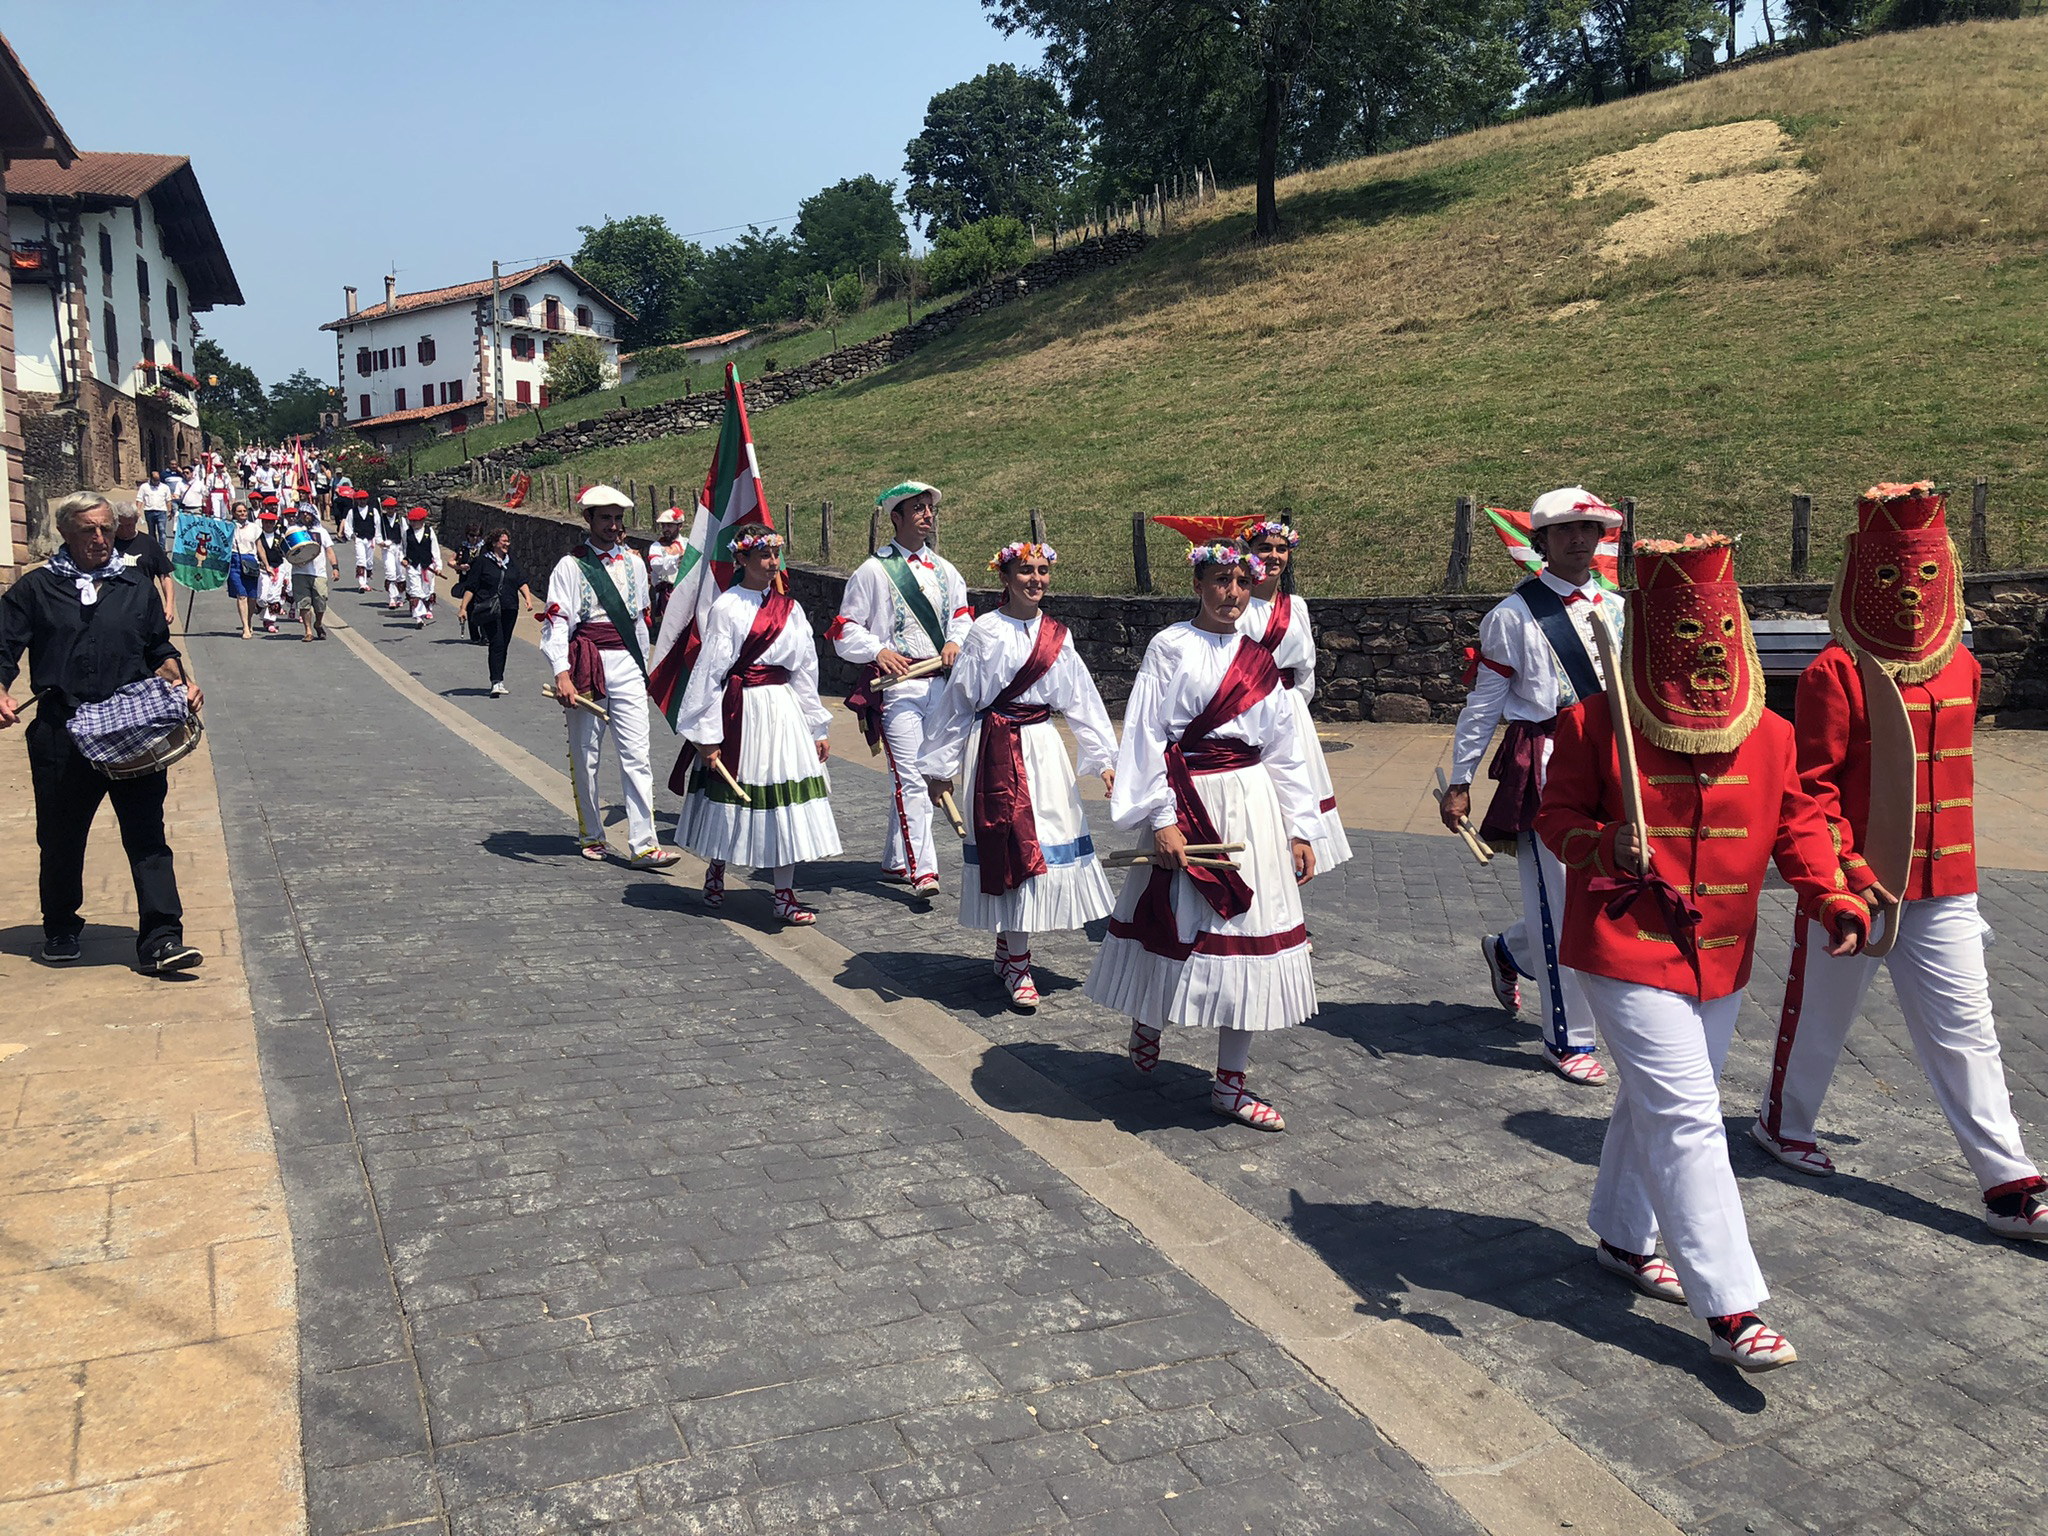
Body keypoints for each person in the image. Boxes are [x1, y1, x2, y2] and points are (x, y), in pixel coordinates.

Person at [1537, 532, 1870, 1373]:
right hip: (1621, 943)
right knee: (1688, 1117)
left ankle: (1621, 1235)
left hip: (1720, 954)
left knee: (1655, 1102)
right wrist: (1606, 845)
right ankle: (1733, 1307)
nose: (1706, 656)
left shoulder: (1771, 734)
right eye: (1685, 638)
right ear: (1647, 639)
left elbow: (1799, 824)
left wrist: (1829, 891)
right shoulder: (1593, 720)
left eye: (1720, 637)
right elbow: (1553, 820)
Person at [1752, 481, 2047, 1239]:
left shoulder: (1962, 669)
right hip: (1861, 881)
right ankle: (1782, 1124)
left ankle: (2009, 1182)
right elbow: (1810, 794)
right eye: (1890, 576)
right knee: (1822, 1013)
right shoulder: (1836, 673)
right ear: (1859, 577)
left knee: (1967, 1025)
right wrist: (1840, 879)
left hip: (1946, 883)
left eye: (1923, 574)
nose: (1910, 595)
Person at [1085, 541, 1321, 1131]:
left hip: (1250, 807)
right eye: (1220, 580)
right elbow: (1146, 731)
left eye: (1242, 581)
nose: (1232, 592)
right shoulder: (1170, 646)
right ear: (1198, 583)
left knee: (1249, 935)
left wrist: (1300, 830)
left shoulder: (1261, 661)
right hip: (1185, 795)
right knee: (1177, 923)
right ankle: (1149, 1017)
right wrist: (1160, 817)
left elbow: (1287, 752)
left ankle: (1230, 1084)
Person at [1441, 488, 1625, 1087]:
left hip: (1615, 762)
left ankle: (1511, 952)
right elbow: (1484, 703)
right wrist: (1461, 779)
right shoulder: (1512, 616)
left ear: (1601, 538)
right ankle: (1567, 1037)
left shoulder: (1622, 609)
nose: (1577, 539)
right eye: (1563, 530)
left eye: (1587, 528)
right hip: (1549, 760)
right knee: (1563, 900)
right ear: (1540, 542)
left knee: (1604, 892)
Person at [0, 492, 204, 973]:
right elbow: (3, 644)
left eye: (106, 529)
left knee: (147, 834)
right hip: (62, 730)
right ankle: (61, 925)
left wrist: (181, 681)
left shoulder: (135, 585)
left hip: (131, 727)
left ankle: (161, 939)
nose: (100, 538)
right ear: (66, 533)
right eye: (89, 530)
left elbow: (158, 647)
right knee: (61, 835)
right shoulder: (36, 589)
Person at [919, 540, 1117, 1011]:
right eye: (1026, 571)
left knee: (1041, 851)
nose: (1036, 580)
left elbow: (1082, 700)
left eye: (1043, 571)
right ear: (1005, 577)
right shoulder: (985, 632)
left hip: (1043, 751)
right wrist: (939, 767)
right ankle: (1019, 962)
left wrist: (1105, 759)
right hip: (994, 750)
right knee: (1011, 851)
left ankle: (1011, 951)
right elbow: (960, 702)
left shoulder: (1057, 634)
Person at [672, 529, 840, 922]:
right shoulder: (728, 607)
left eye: (776, 554)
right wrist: (708, 737)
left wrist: (817, 726)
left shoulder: (791, 609)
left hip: (782, 712)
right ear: (742, 561)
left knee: (783, 802)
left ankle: (784, 893)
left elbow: (804, 671)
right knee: (734, 793)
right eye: (764, 555)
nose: (772, 563)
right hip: (741, 710)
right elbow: (711, 671)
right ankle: (717, 868)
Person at [829, 481, 973, 900]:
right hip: (899, 690)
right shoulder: (873, 570)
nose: (927, 515)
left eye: (930, 508)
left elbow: (962, 616)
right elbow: (844, 629)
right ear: (896, 517)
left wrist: (954, 642)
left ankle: (896, 857)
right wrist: (878, 649)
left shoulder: (947, 570)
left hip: (940, 689)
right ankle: (923, 870)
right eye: (918, 509)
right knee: (912, 778)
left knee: (932, 772)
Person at [540, 485, 681, 870]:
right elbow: (557, 622)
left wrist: (645, 668)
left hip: (628, 665)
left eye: (618, 518)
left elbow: (639, 622)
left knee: (637, 752)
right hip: (588, 662)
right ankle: (591, 833)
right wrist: (562, 674)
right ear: (589, 520)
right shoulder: (571, 566)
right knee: (586, 753)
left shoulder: (635, 564)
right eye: (605, 518)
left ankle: (644, 843)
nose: (614, 525)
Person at [1239, 519, 1353, 876]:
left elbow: (1307, 672)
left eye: (1280, 549)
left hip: (1288, 710)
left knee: (1295, 798)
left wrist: (1291, 709)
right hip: (1244, 708)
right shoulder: (1235, 604)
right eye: (1264, 548)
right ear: (1249, 554)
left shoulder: (1297, 606)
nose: (1273, 556)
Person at [449, 528, 533, 696]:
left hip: (510, 608)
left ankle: (499, 679)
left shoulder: (511, 561)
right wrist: (463, 608)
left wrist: (528, 599)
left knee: (504, 644)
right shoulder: (482, 562)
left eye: (508, 541)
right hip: (490, 609)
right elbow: (471, 587)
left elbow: (520, 581)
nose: (507, 544)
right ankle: (496, 681)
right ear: (494, 543)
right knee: (497, 643)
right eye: (503, 541)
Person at [112, 501, 177, 629]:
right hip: (114, 606)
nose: (125, 530)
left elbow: (165, 577)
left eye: (129, 525)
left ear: (136, 520)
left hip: (143, 605)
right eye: (120, 526)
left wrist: (169, 606)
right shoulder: (107, 544)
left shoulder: (149, 543)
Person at [291, 506, 339, 642]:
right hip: (299, 572)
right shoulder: (294, 531)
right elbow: (288, 550)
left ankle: (318, 623)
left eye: (308, 513)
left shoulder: (321, 532)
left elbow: (329, 550)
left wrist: (335, 567)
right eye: (302, 513)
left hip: (318, 572)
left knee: (320, 601)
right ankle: (308, 631)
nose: (305, 516)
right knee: (304, 603)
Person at [646, 507, 688, 631]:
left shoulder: (688, 544)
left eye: (669, 526)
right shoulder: (656, 546)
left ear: (680, 526)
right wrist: (677, 560)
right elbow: (657, 566)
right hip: (665, 594)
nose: (665, 530)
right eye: (663, 526)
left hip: (685, 592)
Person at [400, 507, 442, 628]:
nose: (413, 523)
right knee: (415, 590)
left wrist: (438, 566)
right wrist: (404, 559)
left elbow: (435, 550)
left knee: (427, 591)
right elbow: (403, 549)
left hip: (427, 566)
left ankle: (427, 607)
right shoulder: (407, 533)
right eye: (411, 521)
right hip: (413, 566)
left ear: (422, 521)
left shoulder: (429, 532)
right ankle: (418, 617)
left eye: (415, 521)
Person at [227, 503, 262, 639]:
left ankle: (249, 621)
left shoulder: (254, 528)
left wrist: (265, 564)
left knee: (252, 597)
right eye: (239, 511)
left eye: (244, 511)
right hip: (234, 560)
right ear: (234, 513)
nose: (242, 513)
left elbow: (259, 547)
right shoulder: (229, 527)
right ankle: (245, 627)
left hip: (251, 562)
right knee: (242, 595)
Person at [255, 509, 288, 634]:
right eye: (266, 522)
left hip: (278, 567)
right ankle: (261, 610)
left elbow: (286, 553)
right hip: (262, 568)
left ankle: (270, 621)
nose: (268, 524)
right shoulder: (258, 537)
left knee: (274, 595)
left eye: (270, 522)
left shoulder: (280, 538)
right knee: (262, 597)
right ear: (262, 523)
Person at [376, 496, 406, 608]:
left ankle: (400, 597)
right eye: (388, 508)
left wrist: (406, 550)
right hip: (387, 549)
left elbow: (405, 535)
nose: (390, 510)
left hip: (399, 548)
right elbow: (378, 535)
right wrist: (381, 543)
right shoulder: (381, 519)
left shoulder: (401, 520)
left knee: (401, 573)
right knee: (390, 572)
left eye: (392, 508)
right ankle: (392, 597)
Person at [347, 489, 378, 592]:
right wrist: (351, 535)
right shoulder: (352, 512)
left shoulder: (373, 511)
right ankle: (362, 583)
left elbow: (377, 525)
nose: (362, 501)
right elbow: (348, 524)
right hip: (359, 538)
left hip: (370, 539)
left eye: (364, 499)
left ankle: (367, 577)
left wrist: (378, 538)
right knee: (361, 560)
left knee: (369, 562)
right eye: (360, 499)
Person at [135, 469, 174, 548]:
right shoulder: (144, 487)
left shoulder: (165, 487)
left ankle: (162, 548)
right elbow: (140, 499)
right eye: (155, 480)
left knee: (162, 530)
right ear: (151, 479)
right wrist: (138, 510)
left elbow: (168, 500)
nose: (157, 482)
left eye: (158, 480)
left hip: (161, 511)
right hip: (149, 511)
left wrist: (170, 510)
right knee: (151, 531)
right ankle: (153, 547)